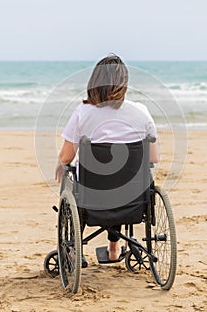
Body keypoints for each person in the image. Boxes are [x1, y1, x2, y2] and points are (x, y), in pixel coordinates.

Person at [55, 55, 159, 262]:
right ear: (124, 83)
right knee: (121, 180)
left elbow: (67, 156)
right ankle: (114, 249)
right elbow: (153, 158)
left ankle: (74, 249)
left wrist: (61, 164)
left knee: (81, 186)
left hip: (93, 196)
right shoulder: (141, 111)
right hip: (133, 198)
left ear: (94, 82)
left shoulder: (83, 112)